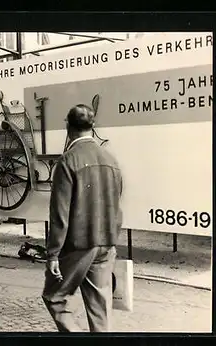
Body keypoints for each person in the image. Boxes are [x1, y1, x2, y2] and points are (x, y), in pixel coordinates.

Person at [42, 104, 123, 333]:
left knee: (54, 297)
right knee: (100, 307)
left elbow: (60, 213)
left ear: (67, 126)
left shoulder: (67, 161)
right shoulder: (111, 159)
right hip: (106, 242)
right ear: (93, 126)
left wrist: (53, 254)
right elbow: (117, 203)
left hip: (79, 245)